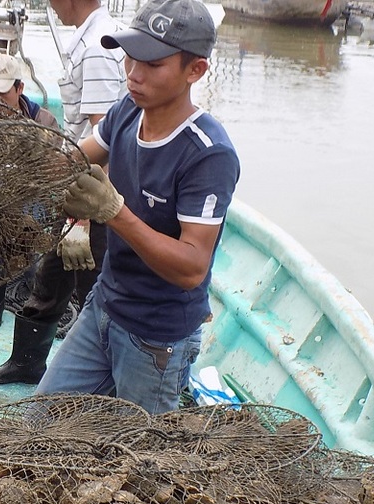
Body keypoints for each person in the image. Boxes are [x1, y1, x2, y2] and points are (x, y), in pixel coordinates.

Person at [35, 0, 240, 414]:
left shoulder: (208, 154)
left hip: (156, 337)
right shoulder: (129, 109)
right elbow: (78, 157)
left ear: (194, 71)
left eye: (153, 64)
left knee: (142, 457)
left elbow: (192, 267)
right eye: (130, 57)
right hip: (104, 307)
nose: (134, 74)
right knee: (41, 419)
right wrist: (27, 162)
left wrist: (114, 212)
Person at [0, 0, 126, 383]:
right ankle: (27, 365)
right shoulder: (89, 39)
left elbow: (103, 136)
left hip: (94, 195)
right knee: (52, 276)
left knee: (100, 291)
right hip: (76, 187)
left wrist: (84, 218)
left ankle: (112, 378)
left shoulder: (96, 48)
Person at [0, 52, 61, 332]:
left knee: (29, 213)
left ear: (19, 88)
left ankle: (33, 278)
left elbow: (52, 176)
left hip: (32, 201)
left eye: (2, 93)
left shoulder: (44, 122)